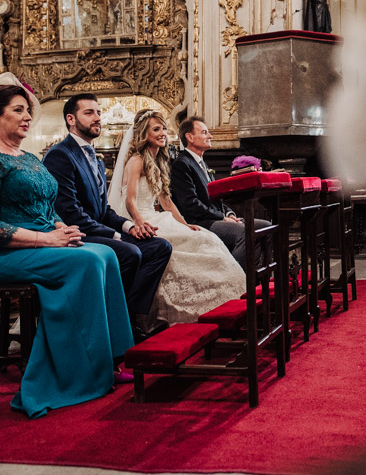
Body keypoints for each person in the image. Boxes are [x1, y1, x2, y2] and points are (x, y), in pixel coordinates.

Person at [0, 84, 133, 417]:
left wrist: (58, 227)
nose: (27, 117)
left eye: (28, 111)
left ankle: (111, 359)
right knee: (84, 263)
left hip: (39, 242)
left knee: (106, 255)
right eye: (18, 110)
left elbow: (44, 205)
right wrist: (46, 240)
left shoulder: (27, 157)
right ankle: (80, 372)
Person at [43, 94, 172, 341]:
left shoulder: (96, 158)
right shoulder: (60, 155)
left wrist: (129, 226)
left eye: (98, 112)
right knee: (130, 253)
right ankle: (111, 326)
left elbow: (103, 211)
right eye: (89, 113)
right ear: (71, 119)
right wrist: (114, 235)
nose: (97, 118)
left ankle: (128, 318)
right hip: (75, 234)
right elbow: (70, 213)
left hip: (96, 230)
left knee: (159, 247)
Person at [108, 109, 245, 325]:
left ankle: (227, 303)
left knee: (205, 238)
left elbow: (166, 202)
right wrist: (139, 222)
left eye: (163, 128)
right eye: (156, 129)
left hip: (158, 216)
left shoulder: (159, 161)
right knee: (196, 245)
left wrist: (185, 224)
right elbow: (130, 201)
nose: (163, 133)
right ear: (144, 133)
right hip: (142, 219)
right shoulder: (136, 160)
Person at [170, 116, 271, 270]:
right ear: (189, 137)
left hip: (216, 217)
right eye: (204, 132)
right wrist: (221, 217)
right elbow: (190, 204)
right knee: (245, 232)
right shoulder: (182, 164)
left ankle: (258, 278)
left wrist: (229, 214)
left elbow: (216, 198)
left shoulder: (202, 163)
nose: (210, 136)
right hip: (200, 222)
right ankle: (235, 278)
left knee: (266, 227)